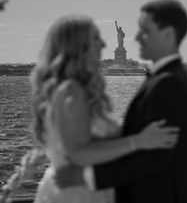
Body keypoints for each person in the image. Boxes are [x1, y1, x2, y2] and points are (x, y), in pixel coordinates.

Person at [55, 0, 187, 203]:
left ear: (168, 34)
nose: (137, 37)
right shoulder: (164, 79)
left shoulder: (170, 83)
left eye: (145, 30)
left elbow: (156, 157)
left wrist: (89, 177)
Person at [31, 15, 179, 203]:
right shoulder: (71, 91)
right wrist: (140, 141)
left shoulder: (71, 88)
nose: (102, 44)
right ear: (77, 46)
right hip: (75, 193)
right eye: (95, 38)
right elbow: (79, 153)